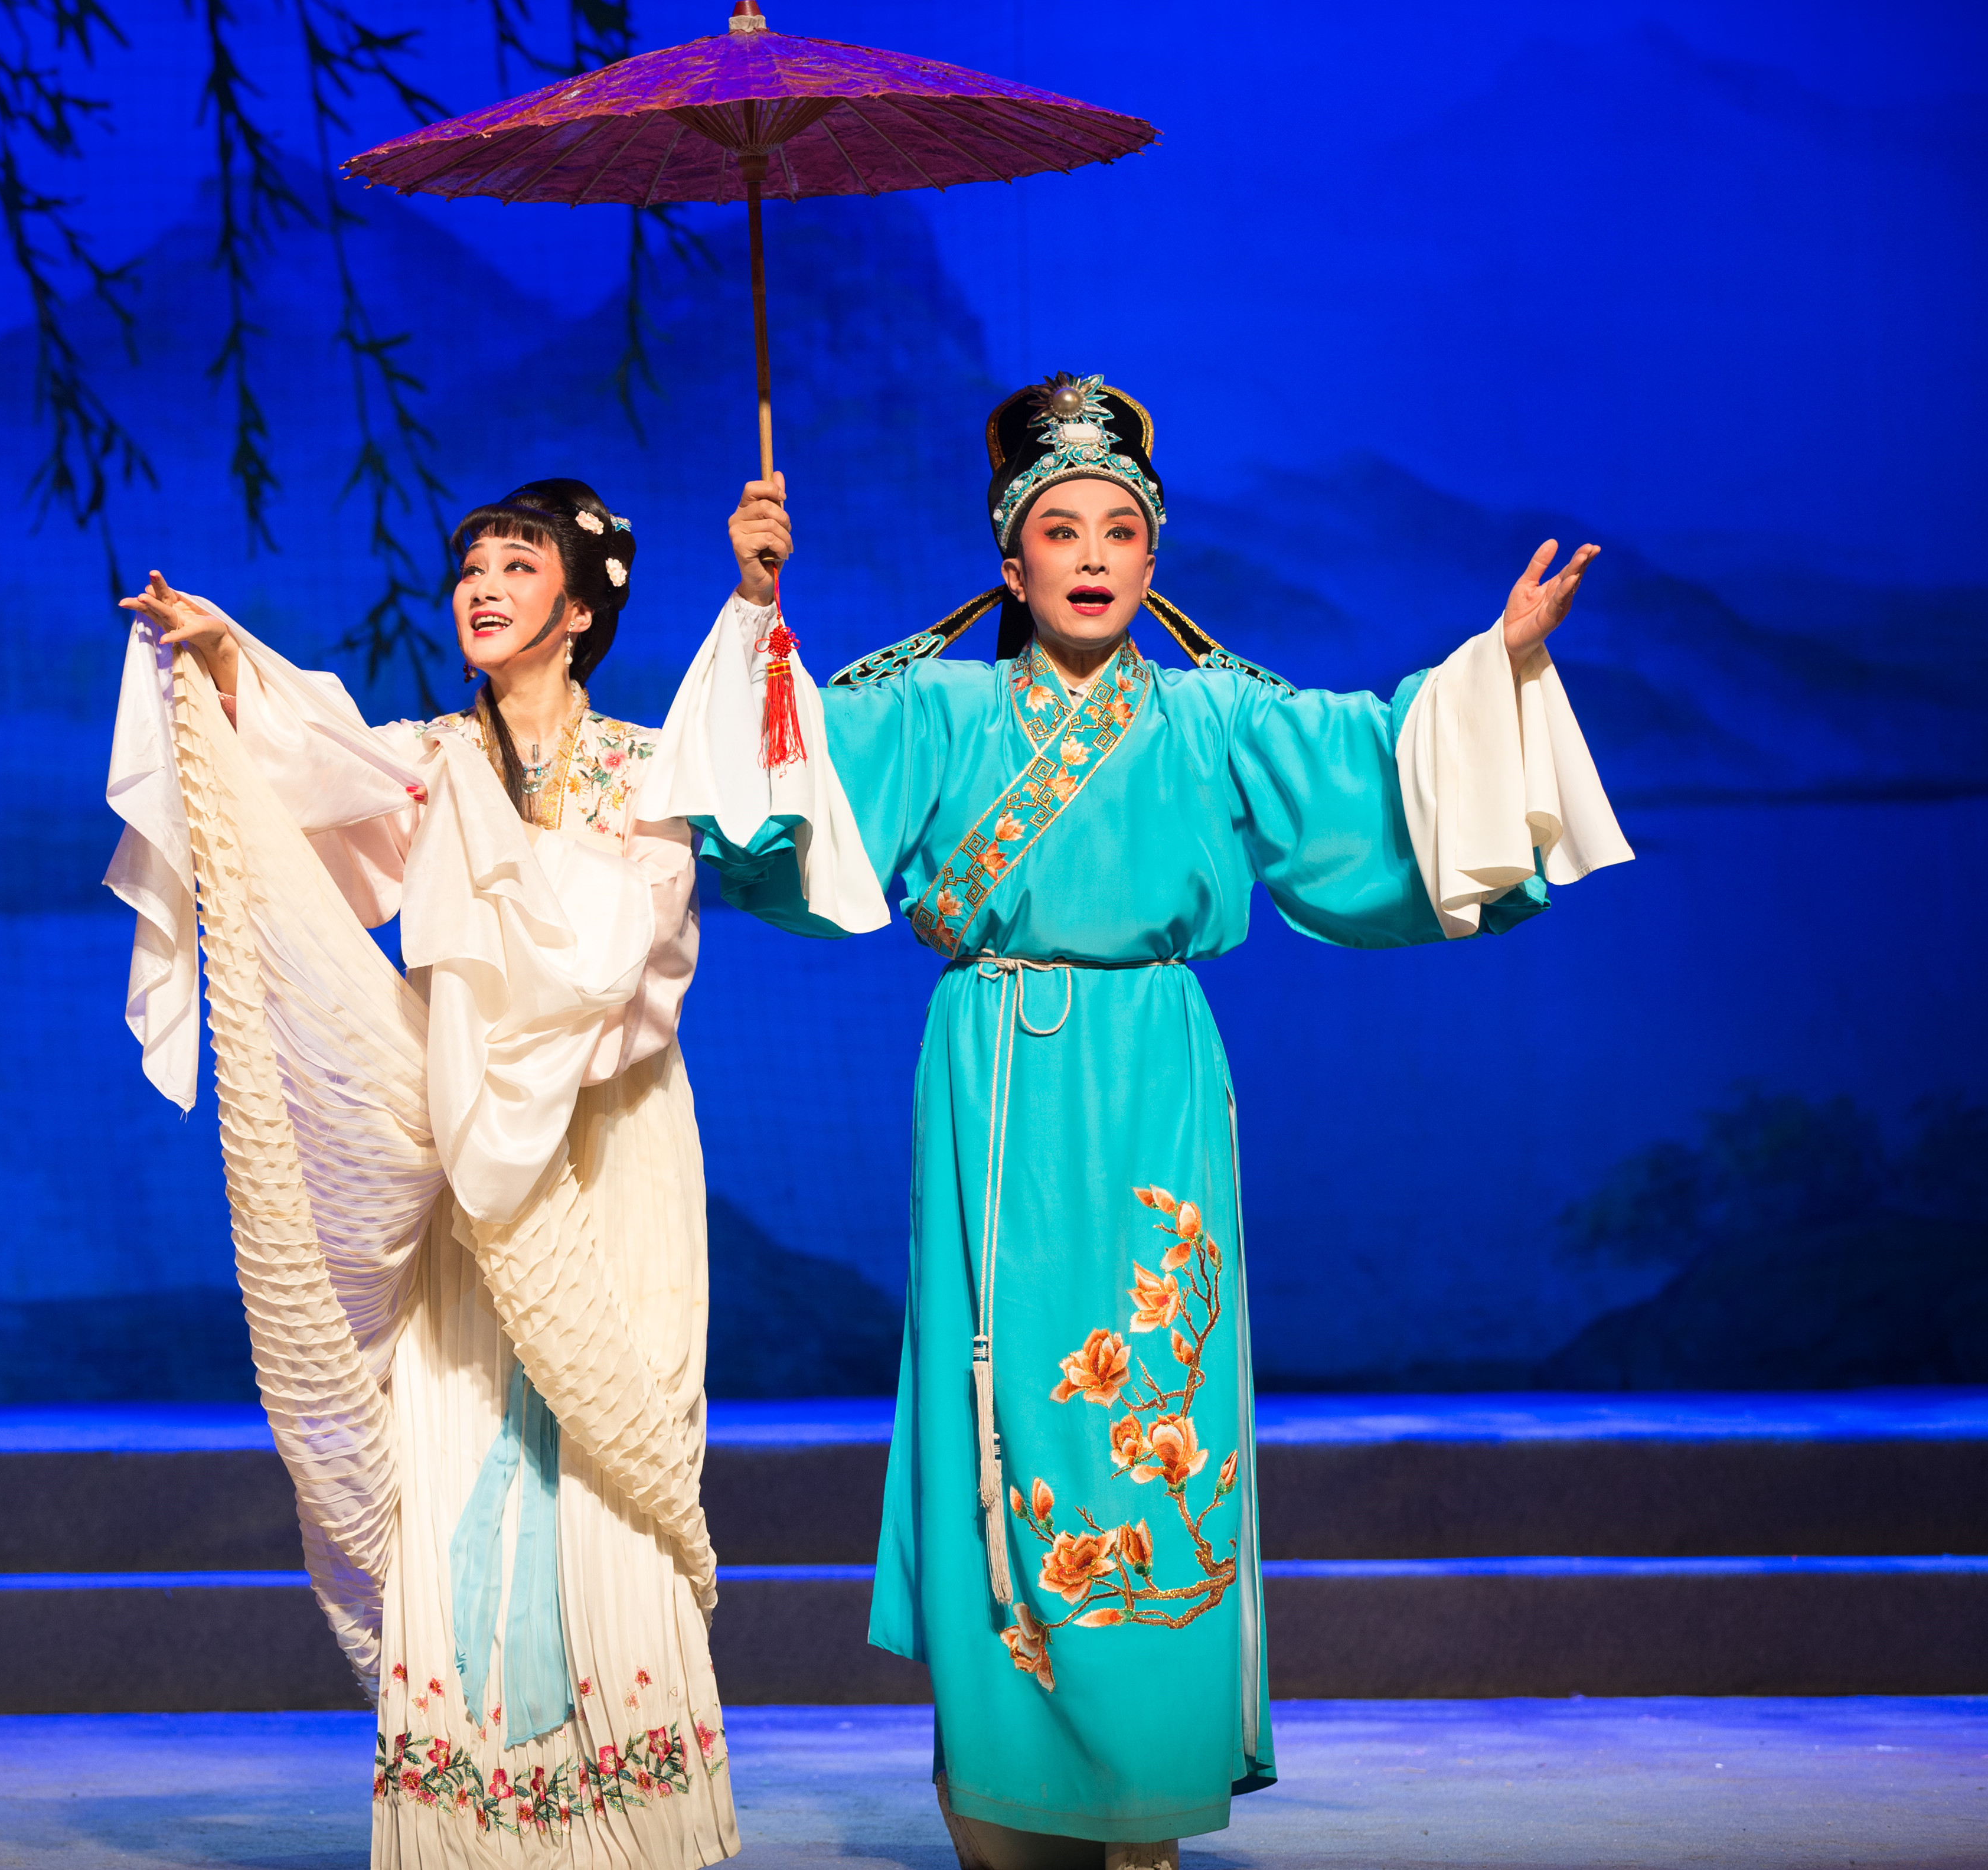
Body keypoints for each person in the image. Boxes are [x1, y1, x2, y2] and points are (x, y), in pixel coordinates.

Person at [637, 375, 1633, 1869]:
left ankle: (1146, 1789)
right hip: (995, 1076)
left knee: (1155, 1408)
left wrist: (1502, 666)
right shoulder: (939, 708)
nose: (1092, 555)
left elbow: (1372, 769)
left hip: (1156, 1078)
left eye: (1119, 529)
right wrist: (758, 606)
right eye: (1061, 530)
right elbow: (783, 799)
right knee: (1009, 1407)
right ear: (1012, 560)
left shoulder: (1212, 715)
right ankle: (1008, 1781)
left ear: (1154, 557)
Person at [105, 479, 738, 1867]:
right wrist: (223, 666)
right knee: (463, 1439)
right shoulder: (433, 761)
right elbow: (304, 775)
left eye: (520, 565)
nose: (483, 587)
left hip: (608, 1141)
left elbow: (623, 959)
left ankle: (630, 1813)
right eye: (471, 567)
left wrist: (494, 889)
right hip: (473, 1149)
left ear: (582, 609)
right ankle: (479, 1820)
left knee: (613, 1451)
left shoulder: (645, 772)